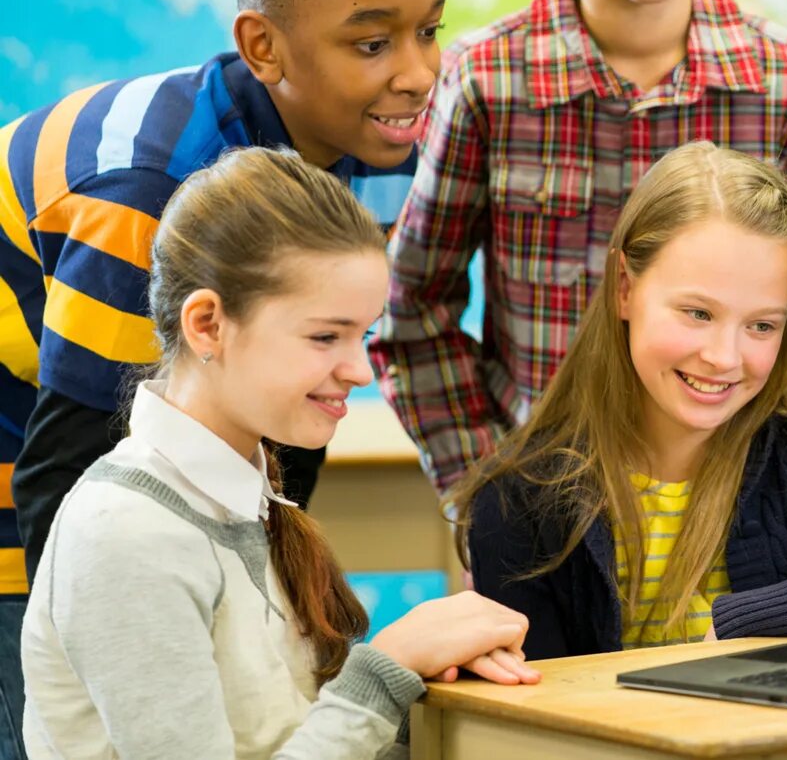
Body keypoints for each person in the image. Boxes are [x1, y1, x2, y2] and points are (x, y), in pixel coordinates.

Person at [0, 0, 445, 756]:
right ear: (264, 46)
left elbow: (283, 418)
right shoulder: (149, 196)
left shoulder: (375, 142)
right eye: (373, 42)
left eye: (429, 28)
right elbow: (69, 481)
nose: (418, 71)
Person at [369, 0, 787, 496]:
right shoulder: (487, 79)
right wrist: (485, 493)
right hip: (543, 500)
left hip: (736, 500)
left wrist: (786, 492)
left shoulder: (782, 81)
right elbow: (412, 307)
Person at [21, 147, 538, 759]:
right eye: (325, 336)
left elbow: (291, 736)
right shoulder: (126, 533)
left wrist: (426, 680)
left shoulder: (245, 495)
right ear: (208, 324)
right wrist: (384, 672)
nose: (359, 371)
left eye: (364, 335)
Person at [450, 142, 787, 659]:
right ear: (625, 287)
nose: (723, 356)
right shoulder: (518, 501)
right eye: (697, 313)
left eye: (761, 325)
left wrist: (752, 620)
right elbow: (531, 722)